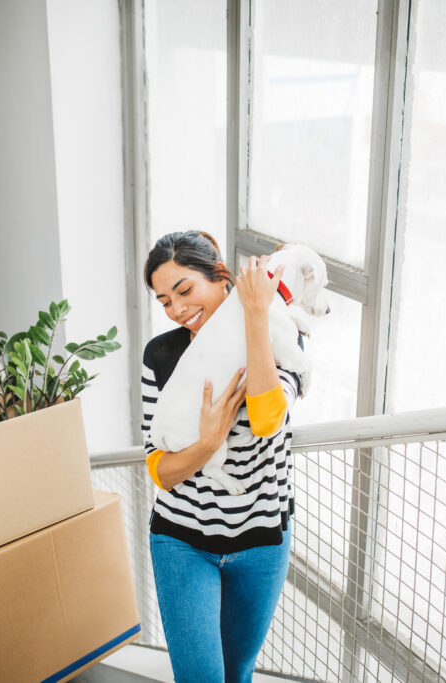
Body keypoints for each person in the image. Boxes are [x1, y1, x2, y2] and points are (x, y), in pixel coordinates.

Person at [141, 231, 302, 682]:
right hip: (182, 540)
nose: (177, 309)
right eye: (164, 300)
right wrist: (207, 445)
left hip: (260, 540)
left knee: (238, 673)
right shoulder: (161, 356)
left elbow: (270, 418)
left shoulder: (279, 333)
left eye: (185, 290)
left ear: (221, 278)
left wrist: (255, 312)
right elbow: (160, 469)